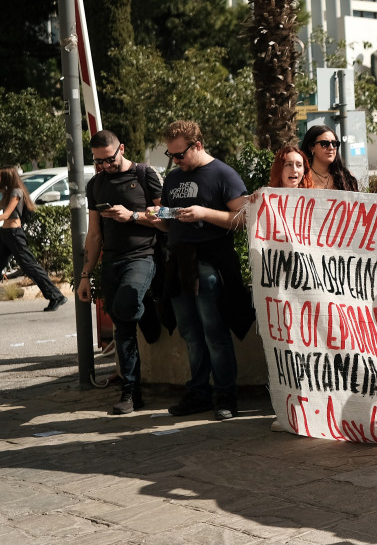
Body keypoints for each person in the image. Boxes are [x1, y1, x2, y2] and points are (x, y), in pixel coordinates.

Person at [157, 120, 252, 421]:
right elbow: (168, 218)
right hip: (178, 262)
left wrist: (203, 213)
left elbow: (245, 218)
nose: (175, 161)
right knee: (190, 333)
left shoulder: (223, 173)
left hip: (210, 261)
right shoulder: (173, 177)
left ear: (197, 145)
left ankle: (225, 395)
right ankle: (198, 392)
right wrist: (151, 215)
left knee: (214, 332)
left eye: (180, 154)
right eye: (170, 155)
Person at [77, 132, 164, 414]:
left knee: (126, 304)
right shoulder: (96, 184)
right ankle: (131, 393)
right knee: (122, 322)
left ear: (121, 149)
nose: (105, 165)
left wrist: (133, 216)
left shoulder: (144, 174)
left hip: (143, 255)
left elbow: (167, 219)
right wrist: (85, 275)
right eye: (99, 161)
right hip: (112, 260)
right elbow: (93, 234)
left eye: (109, 159)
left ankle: (146, 310)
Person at [0, 166, 66, 311]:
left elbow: (6, 214)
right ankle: (55, 295)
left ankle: (56, 296)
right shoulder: (7, 192)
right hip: (5, 234)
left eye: (0, 176)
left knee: (30, 267)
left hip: (14, 235)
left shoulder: (16, 192)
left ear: (7, 177)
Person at [301, 125, 359, 192]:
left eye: (334, 143)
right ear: (311, 147)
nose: (331, 148)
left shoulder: (346, 176)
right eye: (325, 143)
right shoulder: (301, 177)